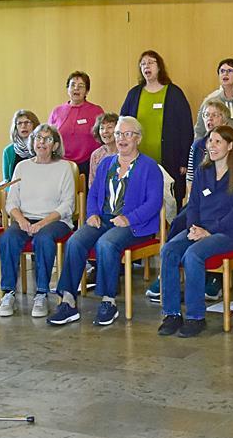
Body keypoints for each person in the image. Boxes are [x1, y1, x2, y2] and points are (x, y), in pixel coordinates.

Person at [47, 116, 164, 328]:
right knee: (75, 242)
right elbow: (93, 194)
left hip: (136, 225)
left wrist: (129, 218)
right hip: (103, 219)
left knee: (106, 244)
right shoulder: (106, 164)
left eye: (127, 134)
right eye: (119, 133)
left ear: (138, 138)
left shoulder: (149, 167)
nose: (121, 138)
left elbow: (154, 202)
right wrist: (92, 213)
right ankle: (68, 300)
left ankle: (108, 301)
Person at [157, 126, 233, 338]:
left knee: (193, 255)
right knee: (168, 250)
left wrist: (208, 231)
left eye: (218, 141)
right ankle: (172, 314)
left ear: (230, 146)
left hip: (228, 233)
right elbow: (193, 205)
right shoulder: (203, 171)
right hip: (200, 229)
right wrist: (194, 227)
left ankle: (195, 317)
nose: (212, 145)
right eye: (210, 141)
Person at [0, 123, 75, 318]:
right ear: (33, 142)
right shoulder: (22, 167)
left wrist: (42, 223)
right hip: (25, 219)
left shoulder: (64, 167)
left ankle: (41, 293)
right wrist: (21, 221)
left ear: (55, 145)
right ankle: (8, 293)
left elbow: (67, 205)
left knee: (43, 239)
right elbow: (11, 201)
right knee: (7, 239)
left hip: (55, 221)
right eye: (38, 138)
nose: (42, 143)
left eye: (48, 139)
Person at [119, 50, 193, 201]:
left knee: (169, 202)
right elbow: (122, 125)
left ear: (159, 67)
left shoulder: (174, 93)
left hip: (169, 160)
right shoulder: (134, 94)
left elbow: (186, 128)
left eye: (151, 62)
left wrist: (184, 160)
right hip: (138, 160)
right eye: (143, 64)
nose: (147, 66)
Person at [192, 58, 233, 162]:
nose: (225, 74)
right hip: (214, 157)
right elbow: (199, 132)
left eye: (230, 71)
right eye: (222, 71)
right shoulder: (209, 100)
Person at [49, 70, 105, 180]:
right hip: (62, 163)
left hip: (89, 163)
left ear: (87, 91)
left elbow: (103, 137)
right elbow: (50, 137)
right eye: (73, 85)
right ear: (67, 89)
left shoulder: (96, 111)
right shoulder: (57, 111)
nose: (76, 88)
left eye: (81, 86)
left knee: (85, 196)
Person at [185, 99, 228, 201]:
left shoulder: (231, 145)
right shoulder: (197, 146)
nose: (210, 118)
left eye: (215, 115)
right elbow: (190, 179)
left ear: (224, 121)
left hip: (223, 200)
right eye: (207, 115)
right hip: (199, 199)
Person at [2, 109, 40, 181]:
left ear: (35, 125)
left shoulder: (41, 147)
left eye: (27, 122)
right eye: (19, 123)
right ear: (15, 127)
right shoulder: (8, 151)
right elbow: (6, 182)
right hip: (16, 191)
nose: (23, 126)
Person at [87, 112, 119, 188]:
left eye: (110, 127)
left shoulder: (126, 152)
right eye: (102, 128)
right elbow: (92, 184)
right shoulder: (96, 155)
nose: (105, 131)